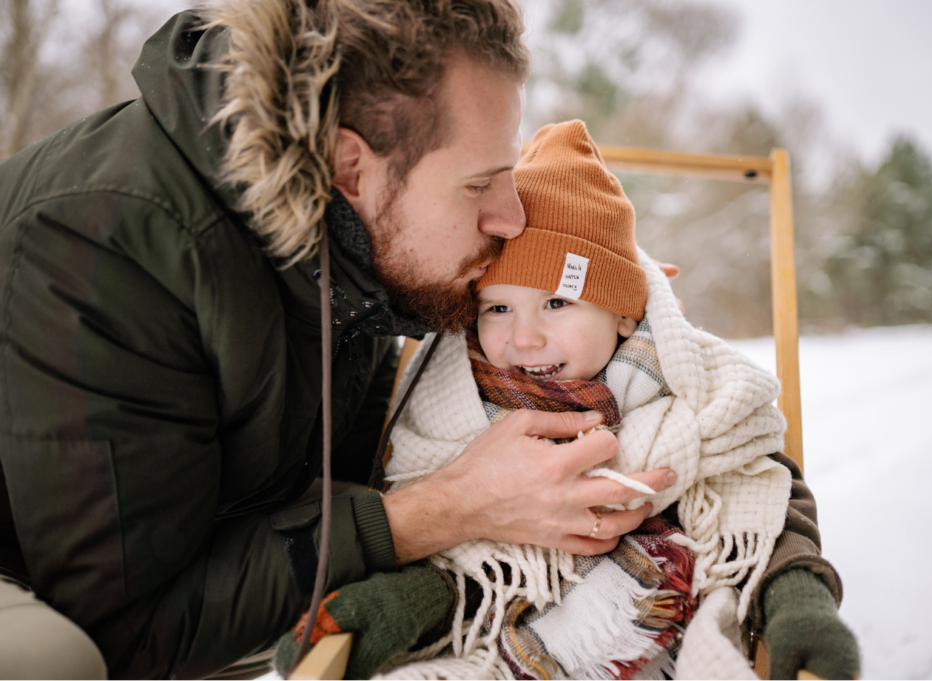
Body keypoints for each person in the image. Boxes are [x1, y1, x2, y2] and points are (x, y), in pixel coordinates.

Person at [0, 0, 841, 678]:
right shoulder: (109, 244)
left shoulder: (364, 247)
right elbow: (132, 629)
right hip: (65, 602)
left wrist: (611, 300)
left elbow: (374, 460)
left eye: (510, 176)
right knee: (56, 663)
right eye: (482, 184)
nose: (507, 218)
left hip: (219, 548)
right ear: (349, 164)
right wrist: (441, 510)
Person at [278, 120, 856, 679]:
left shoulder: (688, 394)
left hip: (663, 614)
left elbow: (762, 491)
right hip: (501, 611)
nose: (524, 337)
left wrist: (797, 593)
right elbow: (461, 554)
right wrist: (400, 603)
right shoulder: (459, 403)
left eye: (557, 304)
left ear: (626, 313)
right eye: (497, 309)